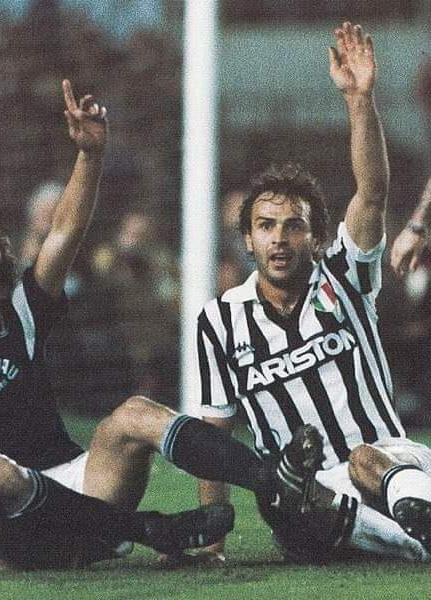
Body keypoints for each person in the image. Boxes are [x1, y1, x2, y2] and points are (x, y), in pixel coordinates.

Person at [0, 81, 307, 571]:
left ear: (1, 284)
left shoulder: (20, 313)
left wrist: (90, 154)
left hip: (84, 488)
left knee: (135, 412)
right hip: (14, 529)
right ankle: (146, 530)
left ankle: (275, 480)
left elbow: (65, 230)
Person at [196, 22, 431, 563]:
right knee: (292, 499)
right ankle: (409, 540)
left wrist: (359, 100)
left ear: (317, 237)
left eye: (293, 225)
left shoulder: (344, 276)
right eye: (265, 226)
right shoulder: (220, 321)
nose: (279, 238)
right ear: (247, 240)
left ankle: (409, 530)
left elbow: (371, 194)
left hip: (390, 464)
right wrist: (212, 538)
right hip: (310, 500)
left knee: (363, 460)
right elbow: (215, 436)